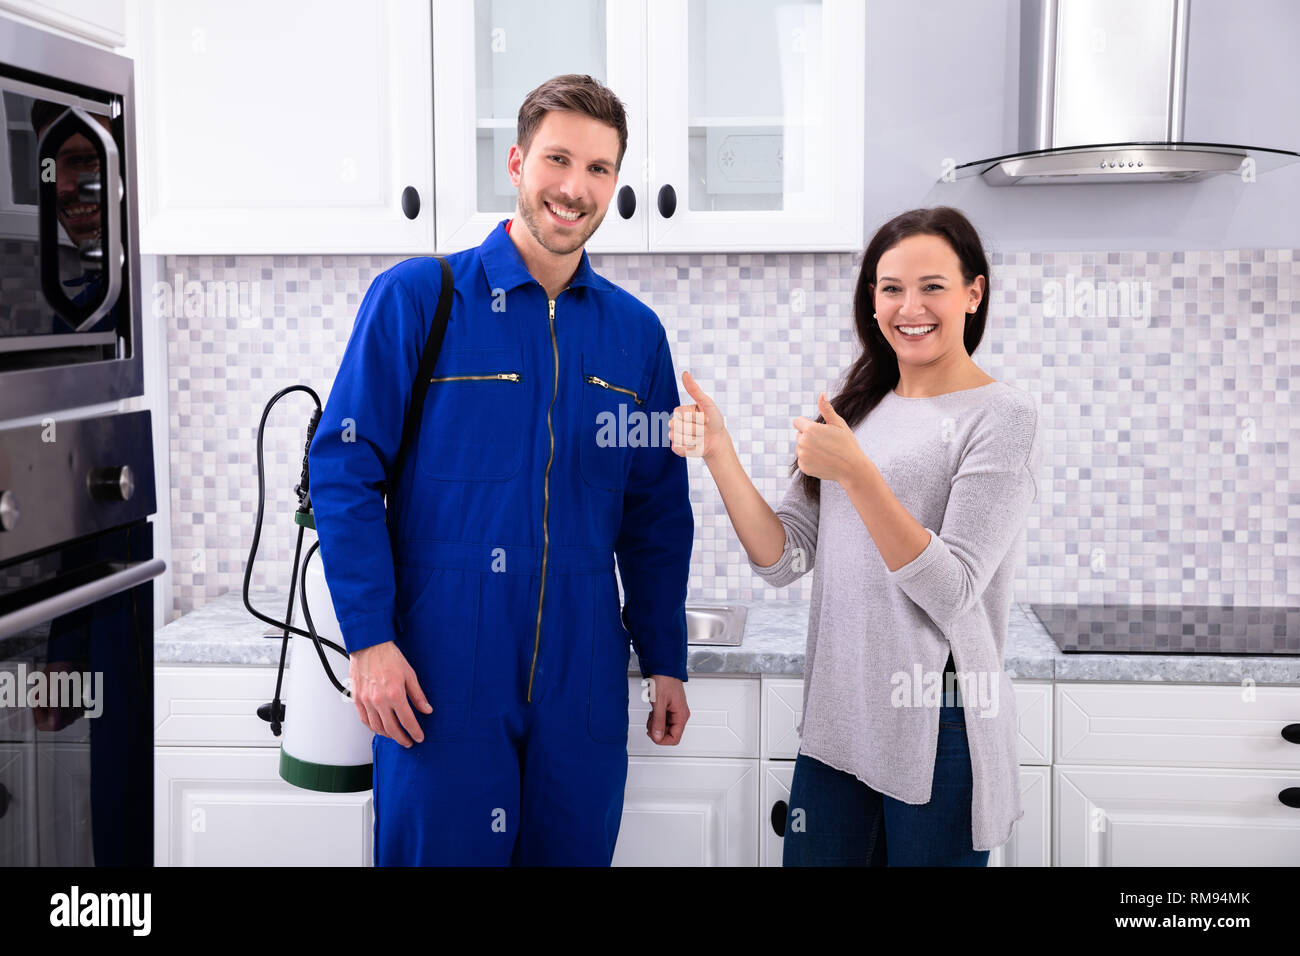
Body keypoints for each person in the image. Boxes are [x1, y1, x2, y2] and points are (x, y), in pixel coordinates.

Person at [308, 74, 694, 866]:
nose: (574, 187)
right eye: (558, 159)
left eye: (598, 169)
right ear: (516, 163)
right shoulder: (421, 297)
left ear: (616, 185)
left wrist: (664, 658)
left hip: (583, 676)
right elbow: (344, 472)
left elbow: (655, 510)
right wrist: (370, 641)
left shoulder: (635, 335)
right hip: (440, 676)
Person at [671, 206, 1041, 865]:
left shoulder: (1003, 415)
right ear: (871, 299)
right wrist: (720, 452)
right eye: (891, 287)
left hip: (939, 721)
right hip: (840, 717)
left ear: (973, 293)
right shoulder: (857, 401)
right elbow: (784, 557)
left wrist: (860, 476)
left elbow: (952, 591)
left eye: (933, 285)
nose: (910, 306)